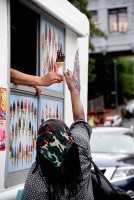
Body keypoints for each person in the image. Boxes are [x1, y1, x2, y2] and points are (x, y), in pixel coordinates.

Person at [22, 69, 94, 200]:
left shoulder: (38, 177)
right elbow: (80, 118)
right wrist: (72, 88)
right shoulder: (80, 145)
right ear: (68, 136)